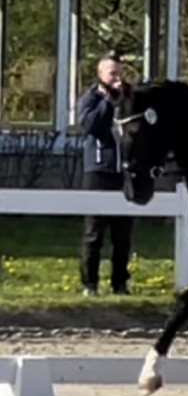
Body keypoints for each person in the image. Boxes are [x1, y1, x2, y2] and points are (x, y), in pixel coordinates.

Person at [77, 51, 134, 296]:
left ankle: (120, 283)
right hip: (99, 171)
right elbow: (89, 125)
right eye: (112, 74)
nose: (117, 78)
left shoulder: (128, 98)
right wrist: (108, 102)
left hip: (123, 173)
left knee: (123, 236)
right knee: (94, 234)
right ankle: (90, 284)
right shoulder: (91, 99)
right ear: (101, 75)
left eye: (120, 73)